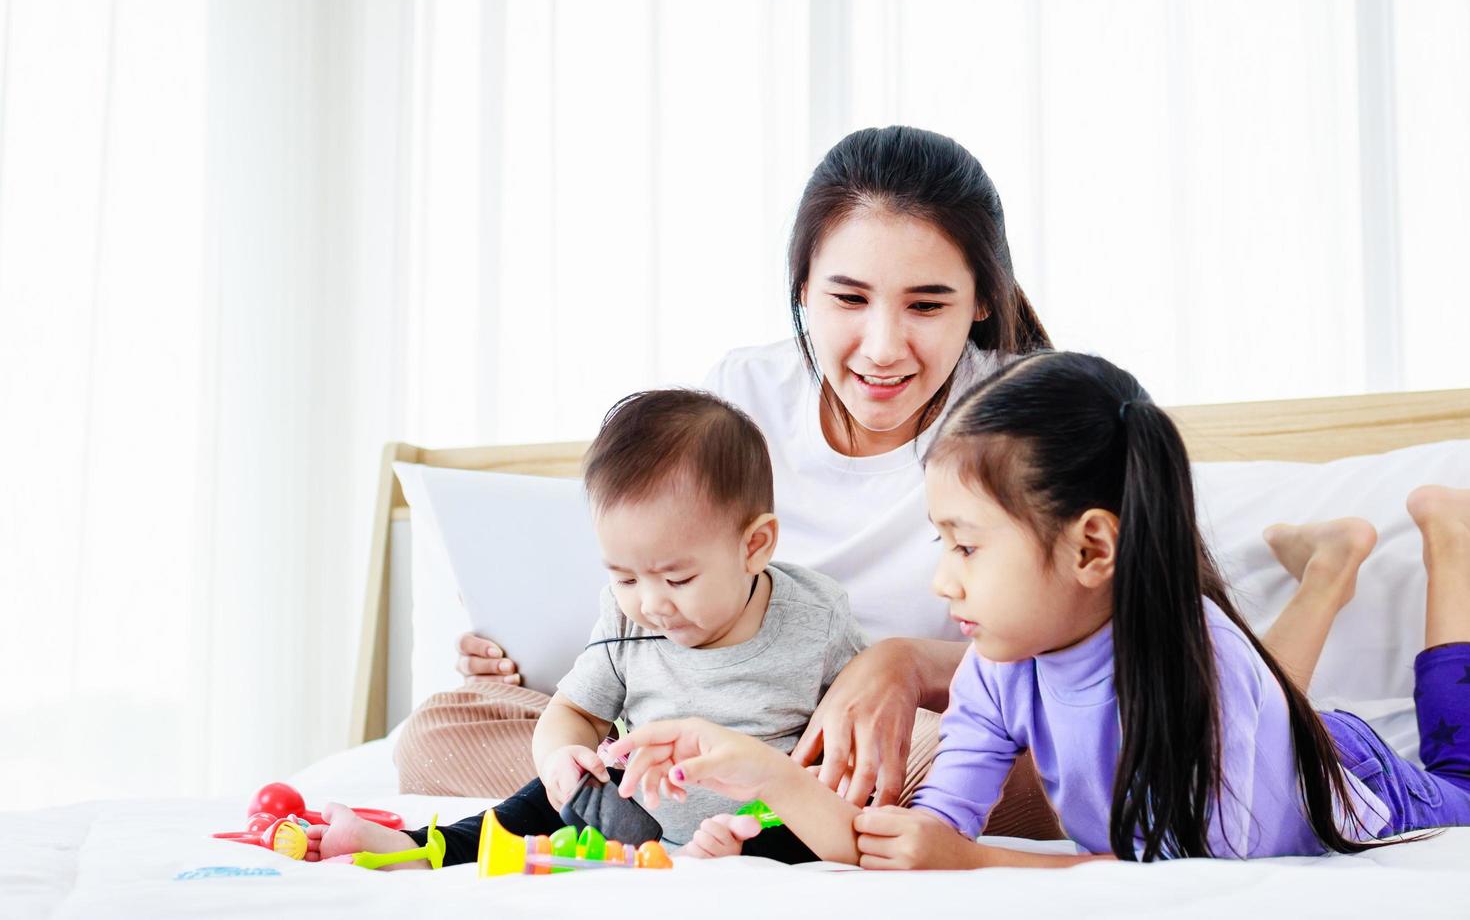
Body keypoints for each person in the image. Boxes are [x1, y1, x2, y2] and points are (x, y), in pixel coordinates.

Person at [406, 126, 1347, 829]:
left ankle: (1329, 572)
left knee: (1082, 772)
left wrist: (896, 665)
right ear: (802, 290)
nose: (883, 349)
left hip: (922, 734)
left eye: (928, 304)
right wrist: (553, 652)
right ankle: (723, 791)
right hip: (721, 711)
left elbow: (1122, 651)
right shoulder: (740, 395)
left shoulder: (1016, 419)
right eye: (848, 300)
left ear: (983, 302)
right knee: (437, 736)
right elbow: (667, 580)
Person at [605, 351, 1470, 867]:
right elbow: (915, 839)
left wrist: (977, 860)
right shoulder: (996, 669)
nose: (944, 583)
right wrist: (764, 774)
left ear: (1093, 549)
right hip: (1279, 738)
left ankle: (1447, 544)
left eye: (967, 546)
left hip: (1367, 782)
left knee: (1462, 771)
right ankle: (1333, 561)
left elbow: (1170, 876)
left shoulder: (1211, 671)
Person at [313, 389, 865, 866]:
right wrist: (562, 759)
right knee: (533, 802)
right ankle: (419, 850)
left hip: (761, 817)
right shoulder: (624, 619)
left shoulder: (816, 617)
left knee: (826, 819)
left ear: (754, 546)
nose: (650, 604)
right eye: (624, 577)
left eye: (677, 579)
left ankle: (733, 855)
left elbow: (859, 739)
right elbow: (575, 711)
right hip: (630, 814)